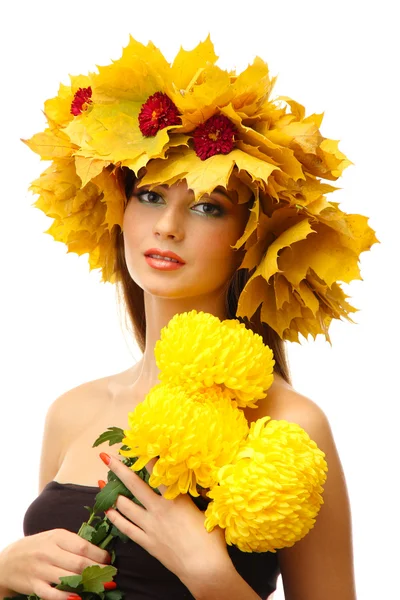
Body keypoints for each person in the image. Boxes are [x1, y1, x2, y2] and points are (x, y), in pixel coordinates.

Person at [0, 35, 377, 600]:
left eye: (207, 206)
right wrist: (5, 574)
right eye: (150, 195)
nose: (168, 226)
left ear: (253, 239)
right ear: (119, 210)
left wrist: (213, 579)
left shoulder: (291, 426)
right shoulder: (72, 411)